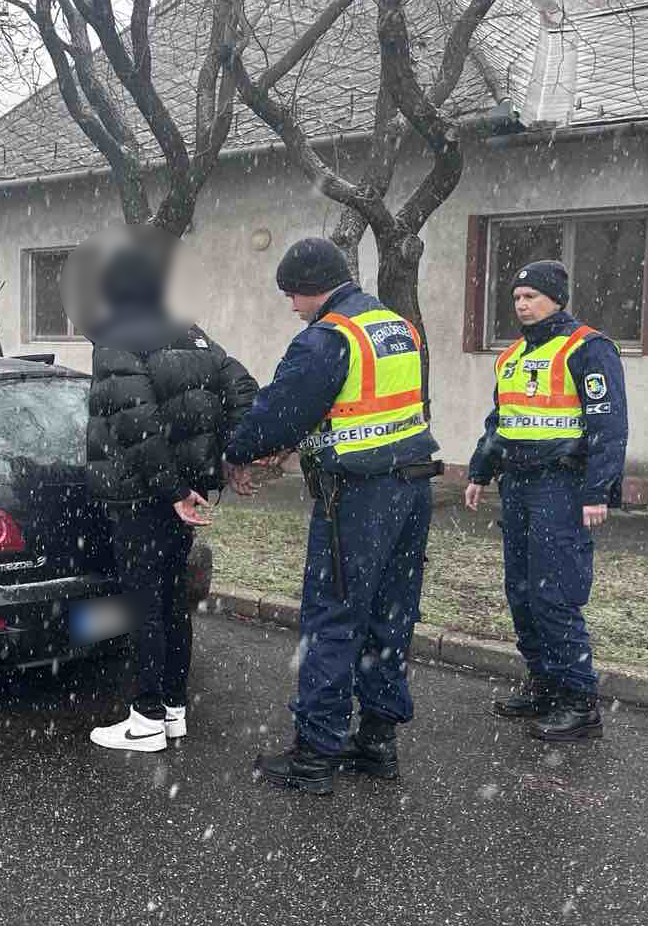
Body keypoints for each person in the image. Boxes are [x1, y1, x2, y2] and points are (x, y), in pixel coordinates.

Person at [225, 237, 442, 794]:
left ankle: (315, 755)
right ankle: (376, 742)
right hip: (412, 489)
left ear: (309, 287)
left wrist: (237, 451)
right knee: (390, 617)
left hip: (358, 498)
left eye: (291, 295)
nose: (292, 307)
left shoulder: (326, 338)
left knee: (332, 618)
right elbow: (360, 406)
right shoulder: (397, 326)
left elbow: (278, 414)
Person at [81, 228, 259, 753]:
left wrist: (173, 488)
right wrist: (233, 454)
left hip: (143, 497)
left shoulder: (118, 337)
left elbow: (137, 424)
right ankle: (174, 710)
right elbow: (243, 387)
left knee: (145, 604)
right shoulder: (194, 334)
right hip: (186, 497)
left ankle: (145, 718)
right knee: (170, 599)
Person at [464, 259, 628, 742]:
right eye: (517, 297)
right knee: (521, 590)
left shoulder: (588, 349)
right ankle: (543, 684)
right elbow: (501, 420)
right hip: (516, 484)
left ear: (557, 298)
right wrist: (479, 470)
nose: (522, 304)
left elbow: (608, 426)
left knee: (554, 592)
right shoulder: (511, 356)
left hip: (562, 485)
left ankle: (580, 703)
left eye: (532, 296)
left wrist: (598, 490)